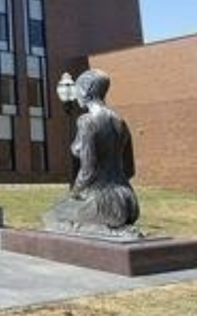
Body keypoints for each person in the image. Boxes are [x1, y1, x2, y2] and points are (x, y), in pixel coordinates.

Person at [44, 69, 140, 234]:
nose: (76, 95)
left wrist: (74, 193)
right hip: (129, 202)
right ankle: (111, 227)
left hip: (102, 200)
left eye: (77, 89)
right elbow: (129, 169)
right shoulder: (120, 122)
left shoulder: (87, 121)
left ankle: (102, 226)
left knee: (53, 214)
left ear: (86, 89)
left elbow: (88, 169)